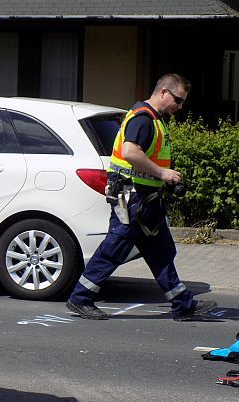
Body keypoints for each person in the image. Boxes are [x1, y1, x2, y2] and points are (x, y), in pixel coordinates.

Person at [66, 73, 216, 321]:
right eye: (178, 100)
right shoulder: (144, 119)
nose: (179, 107)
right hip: (133, 198)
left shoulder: (154, 119)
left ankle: (183, 304)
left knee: (161, 251)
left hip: (145, 199)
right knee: (115, 248)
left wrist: (162, 178)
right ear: (164, 92)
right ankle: (80, 298)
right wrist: (162, 173)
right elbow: (131, 152)